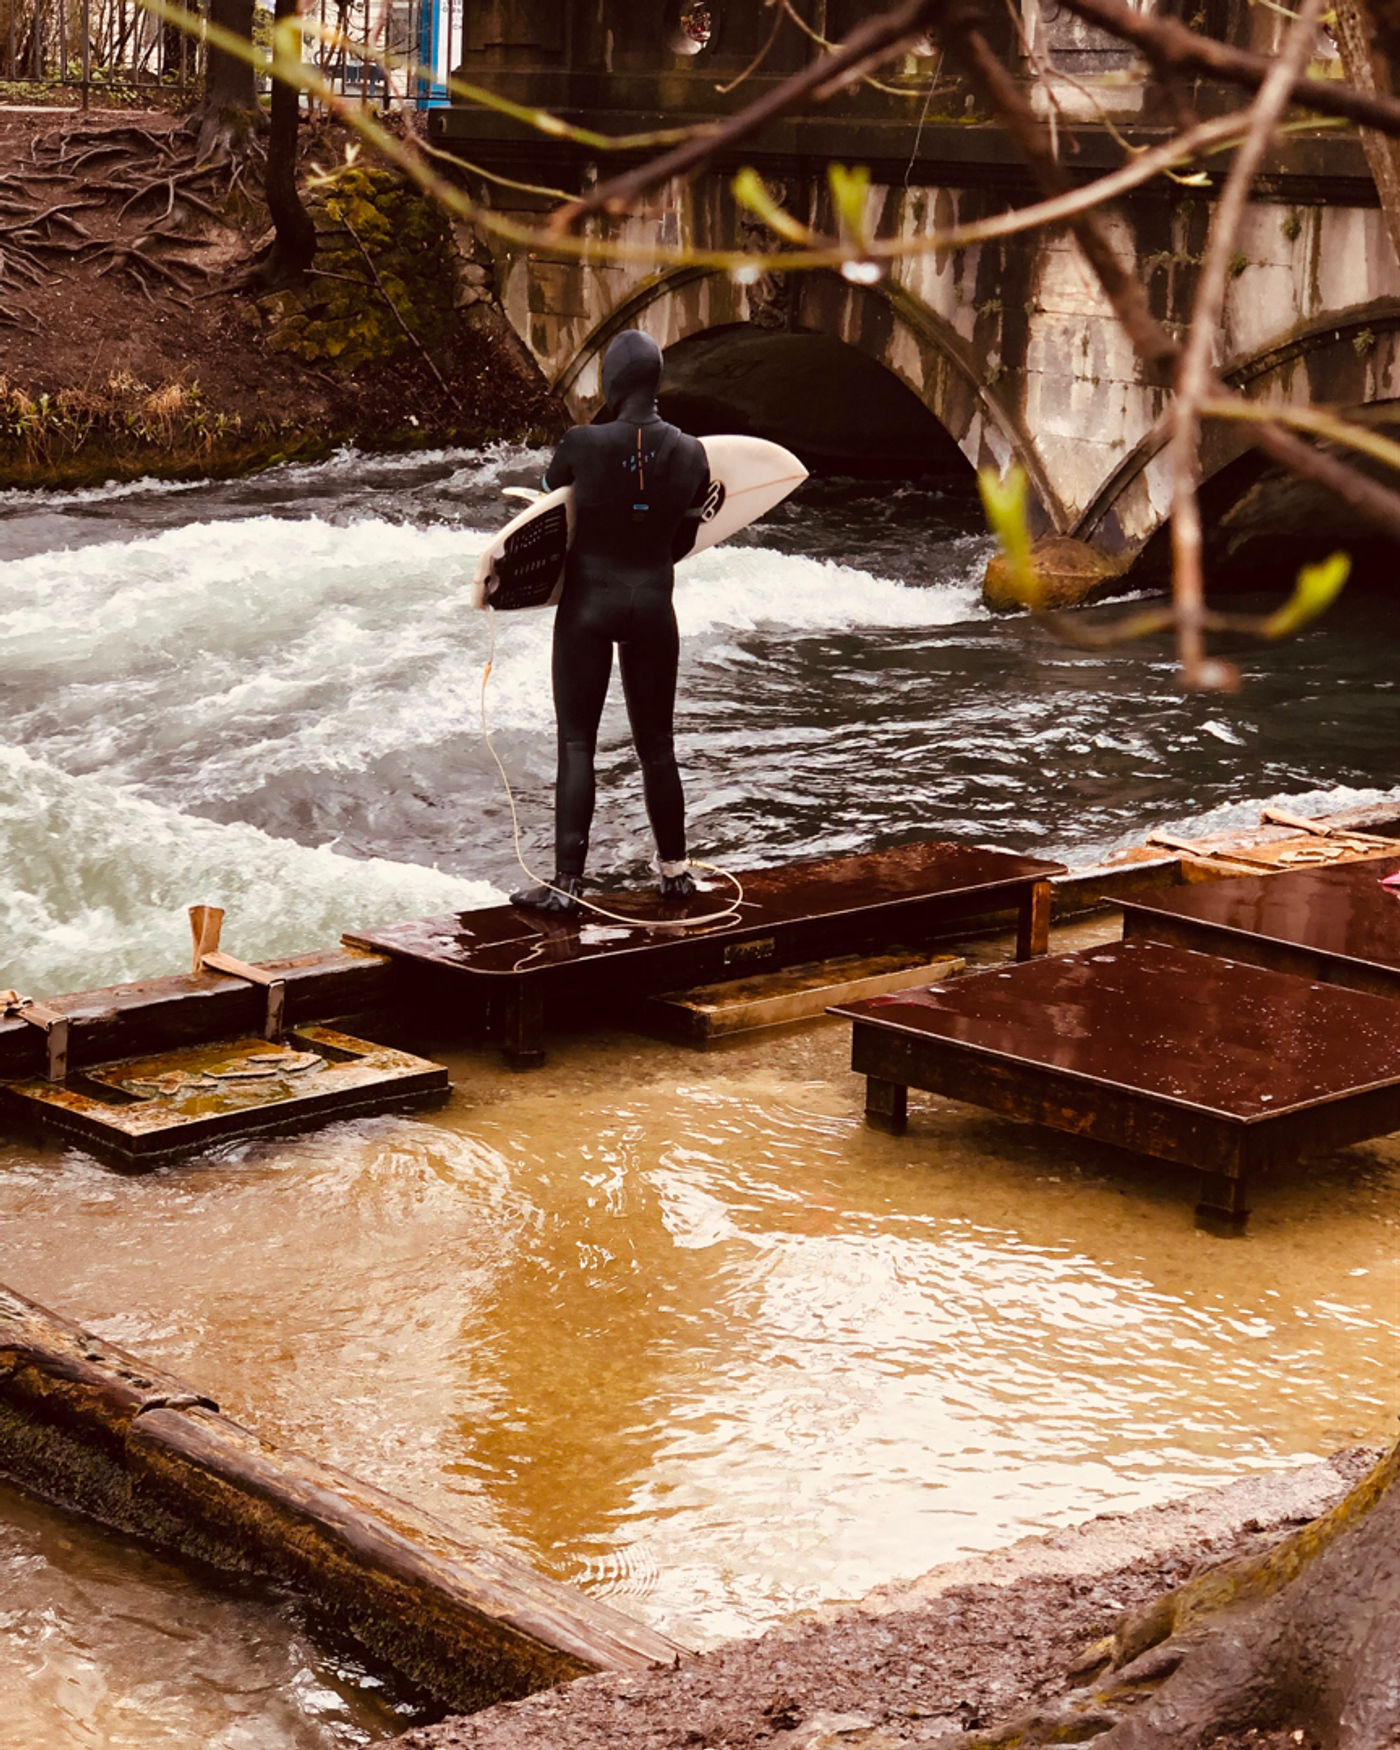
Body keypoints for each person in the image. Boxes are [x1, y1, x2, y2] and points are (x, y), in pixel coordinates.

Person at [510, 330, 711, 916]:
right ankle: (675, 874)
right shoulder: (693, 453)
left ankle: (568, 885)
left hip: (587, 608)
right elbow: (685, 540)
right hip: (653, 604)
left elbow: (549, 511)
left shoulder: (581, 442)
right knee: (659, 746)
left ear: (613, 382)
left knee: (578, 743)